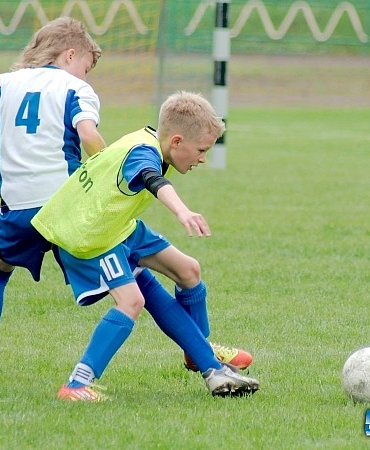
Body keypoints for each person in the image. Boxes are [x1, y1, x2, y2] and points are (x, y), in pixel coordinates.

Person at [0, 18, 251, 389]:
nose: (86, 76)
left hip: (18, 211)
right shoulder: (76, 89)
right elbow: (88, 134)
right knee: (136, 282)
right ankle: (191, 361)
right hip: (71, 209)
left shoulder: (4, 84)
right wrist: (107, 172)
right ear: (70, 54)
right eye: (86, 67)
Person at [31, 91, 260, 401]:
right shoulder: (143, 152)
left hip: (119, 226)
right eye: (201, 150)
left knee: (189, 271)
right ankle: (76, 384)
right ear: (177, 141)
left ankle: (199, 352)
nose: (203, 159)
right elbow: (153, 179)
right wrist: (182, 211)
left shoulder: (153, 140)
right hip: (91, 236)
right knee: (132, 301)